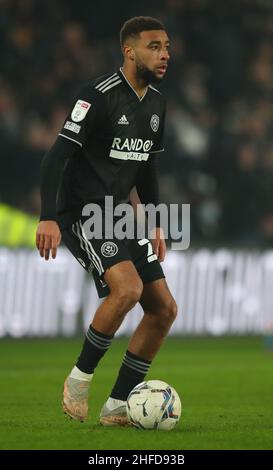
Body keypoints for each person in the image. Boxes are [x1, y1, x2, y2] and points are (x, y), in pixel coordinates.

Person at [36, 16, 177, 426]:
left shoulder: (157, 103)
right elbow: (55, 157)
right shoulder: (97, 95)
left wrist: (154, 220)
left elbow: (146, 168)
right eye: (154, 46)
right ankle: (79, 380)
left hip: (122, 214)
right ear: (129, 51)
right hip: (84, 211)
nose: (165, 53)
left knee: (164, 309)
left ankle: (117, 405)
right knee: (128, 289)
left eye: (167, 46)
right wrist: (48, 217)